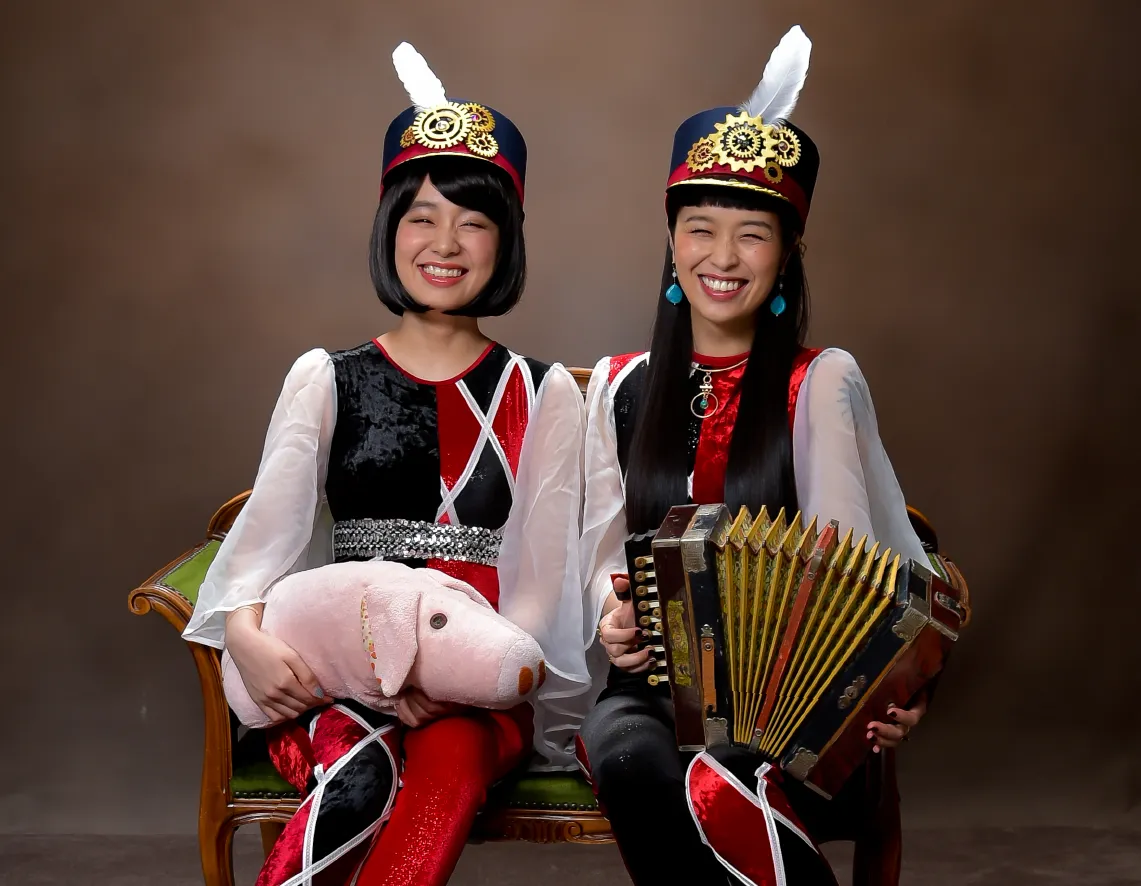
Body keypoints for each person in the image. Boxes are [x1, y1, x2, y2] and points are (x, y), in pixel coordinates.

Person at [181, 43, 590, 886]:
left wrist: (461, 675)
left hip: (474, 675)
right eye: (421, 217)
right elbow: (260, 550)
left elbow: (545, 584)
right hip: (335, 672)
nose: (445, 243)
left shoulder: (543, 393)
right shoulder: (324, 378)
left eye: (473, 222)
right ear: (388, 228)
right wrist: (246, 640)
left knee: (452, 754)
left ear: (506, 241)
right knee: (359, 772)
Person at [576, 26, 933, 886]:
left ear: (786, 254)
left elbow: (856, 569)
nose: (723, 258)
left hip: (786, 708)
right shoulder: (618, 386)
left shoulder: (820, 381)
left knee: (722, 775)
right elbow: (595, 555)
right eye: (699, 229)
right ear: (672, 243)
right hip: (649, 694)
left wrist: (887, 689)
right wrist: (608, 619)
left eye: (752, 235)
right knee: (627, 758)